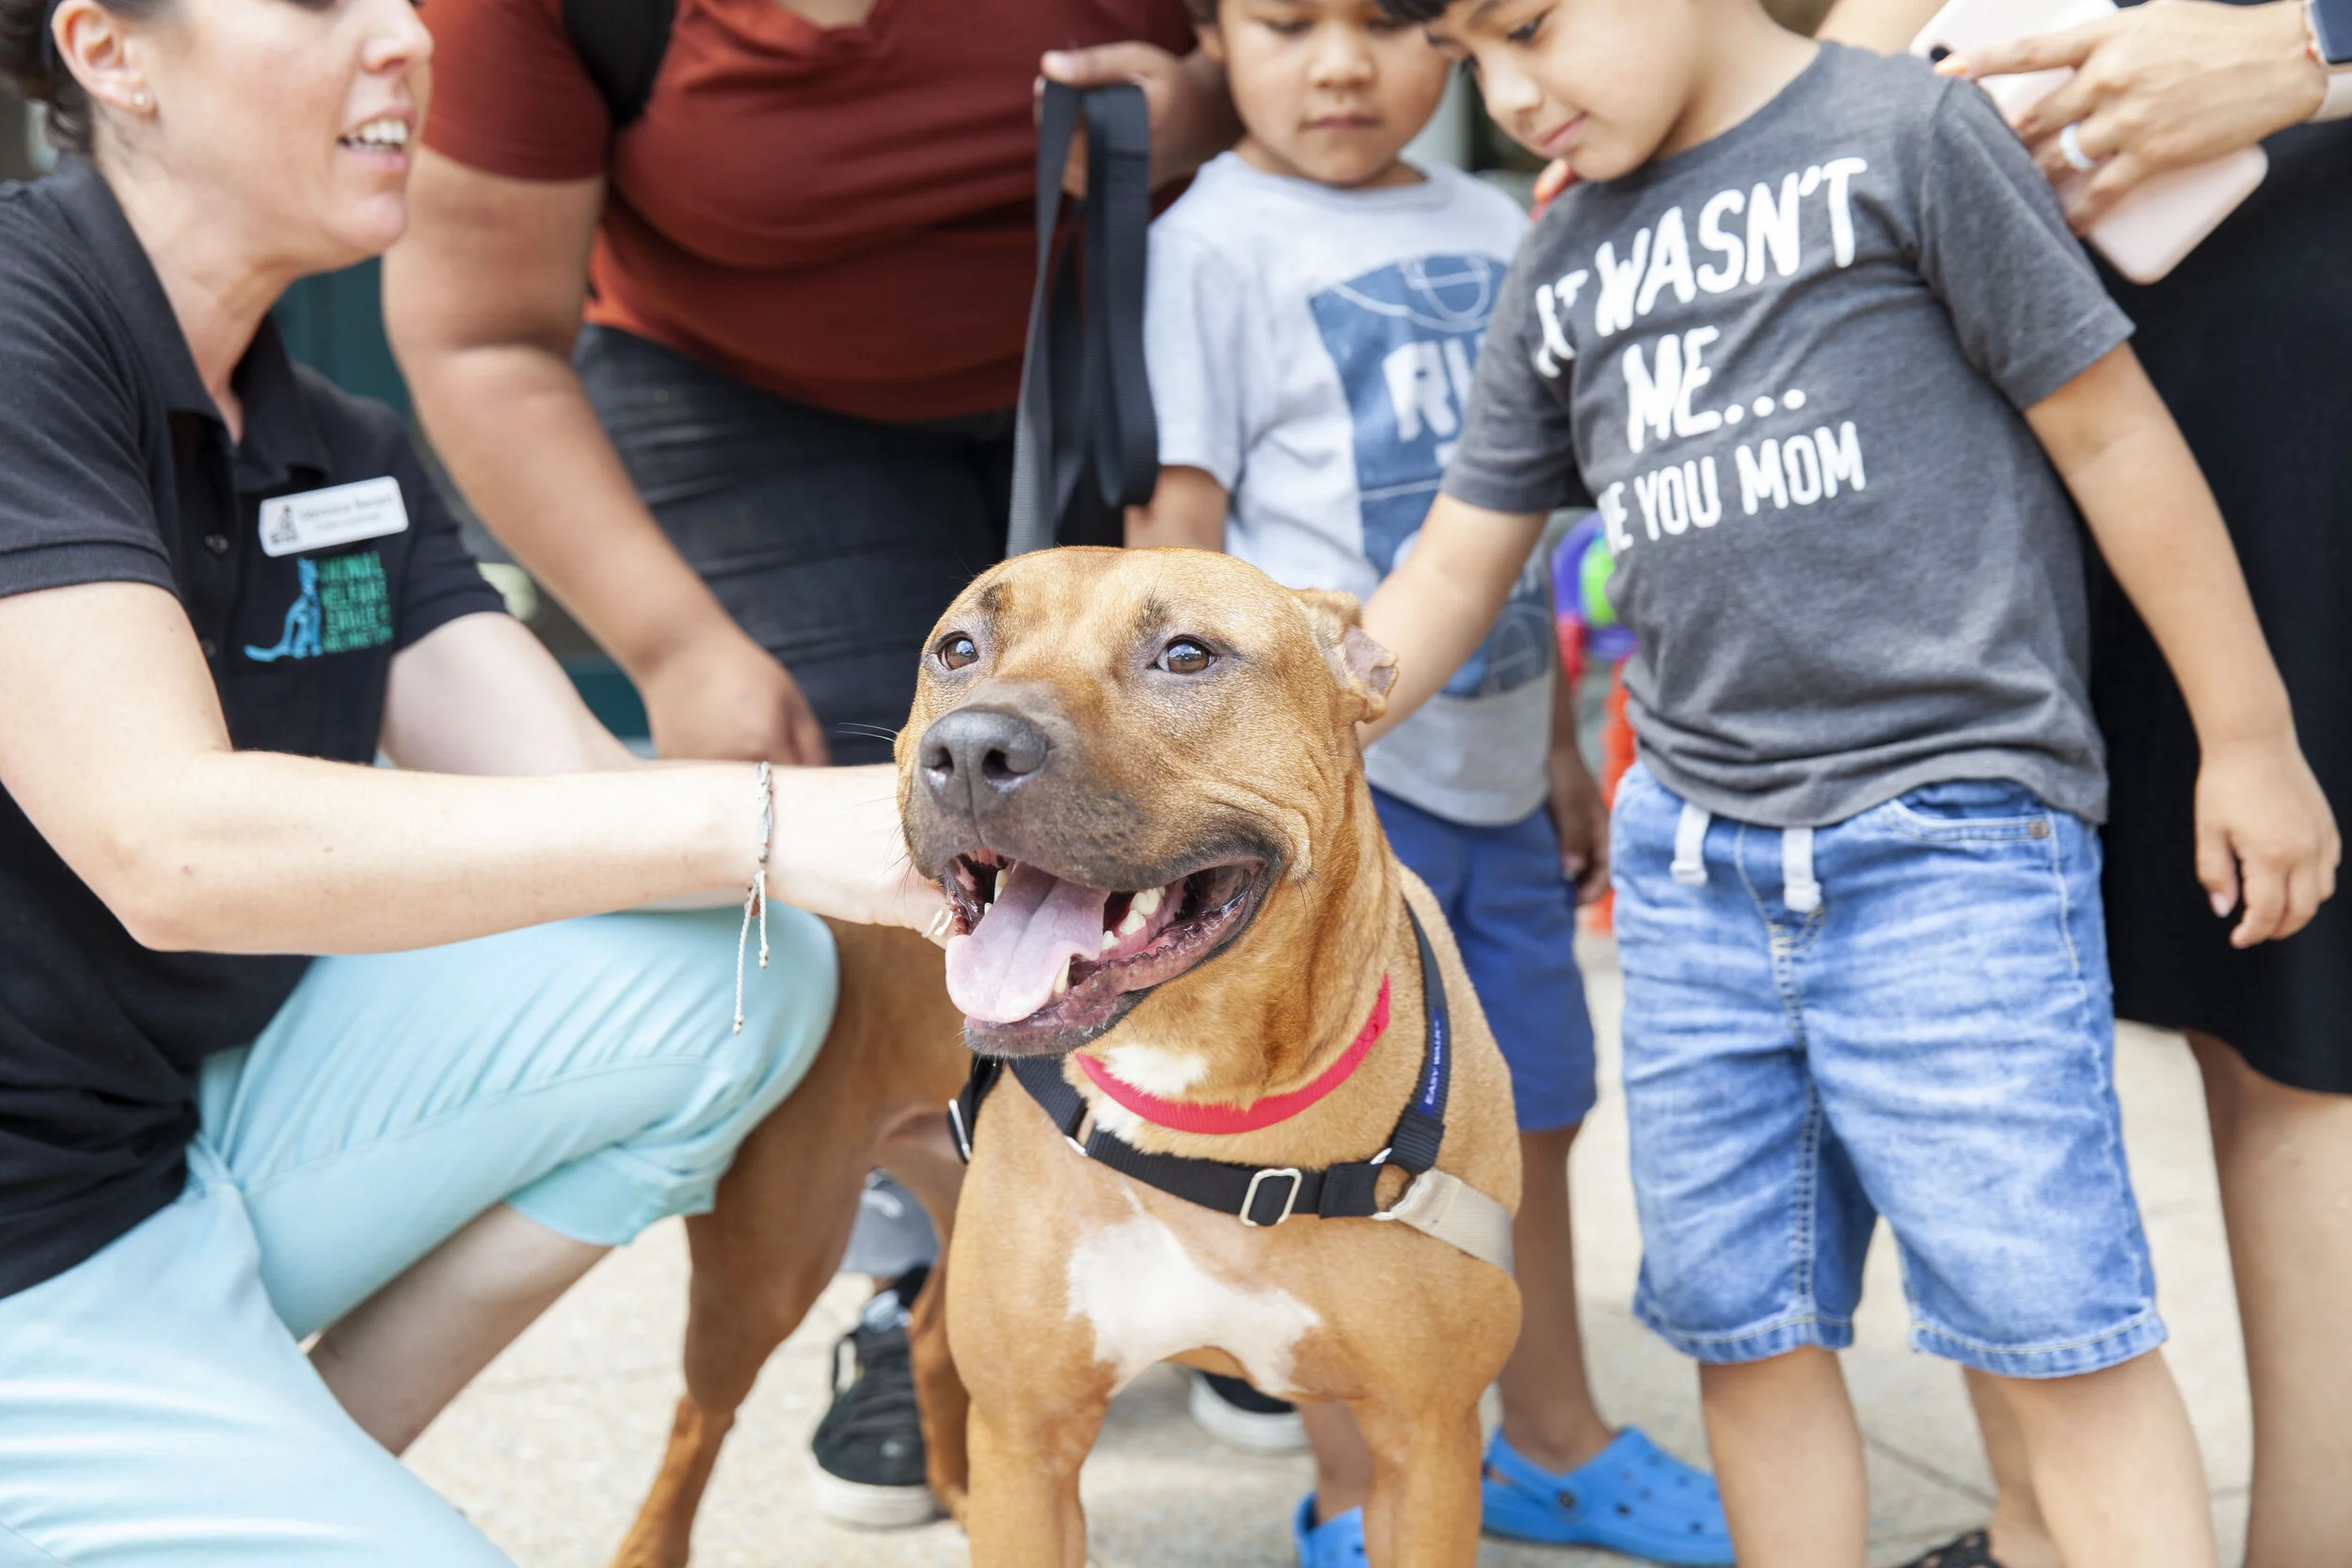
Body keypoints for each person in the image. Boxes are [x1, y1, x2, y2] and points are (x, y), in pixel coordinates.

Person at [1348, 0, 2342, 1563]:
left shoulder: (1908, 139)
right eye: (1473, 58)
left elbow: (2112, 439)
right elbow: (1454, 563)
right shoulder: (1562, 256)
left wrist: (2251, 733)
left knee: (2054, 1329)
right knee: (1742, 1328)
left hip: (1952, 846)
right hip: (1692, 877)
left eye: (1528, 26)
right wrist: (1287, 712)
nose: (1510, 90)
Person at [0, 0, 942, 1558]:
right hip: (28, 1248)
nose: (404, 38)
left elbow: (582, 797)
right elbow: (163, 842)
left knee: (747, 978)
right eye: (320, 0)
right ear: (109, 51)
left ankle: (278, 1454)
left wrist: (953, 1021)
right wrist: (766, 815)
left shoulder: (335, 440)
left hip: (159, 1149)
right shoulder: (23, 328)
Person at [379, 0, 1241, 1515]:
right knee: (902, 887)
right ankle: (918, 1291)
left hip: (1128, 346)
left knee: (1184, 825)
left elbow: (1351, 42)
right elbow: (475, 330)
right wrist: (673, 645)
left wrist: (1215, 101)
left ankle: (1218, 1224)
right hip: (750, 396)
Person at [1127, 3, 1731, 1563]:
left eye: (1390, 23)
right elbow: (1177, 541)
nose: (1341, 65)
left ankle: (1548, 1436)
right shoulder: (1210, 240)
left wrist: (1549, 749)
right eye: (1287, 20)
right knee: (1319, 1147)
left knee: (1523, 1116)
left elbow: (1511, 537)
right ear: (1210, 30)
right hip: (1326, 826)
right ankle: (1353, 1481)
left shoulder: (1496, 213)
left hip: (1499, 775)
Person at [1804, 5, 2352, 1566]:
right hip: (1972, 322)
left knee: (2297, 1013)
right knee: (1966, 964)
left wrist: (2313, 48)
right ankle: (2044, 1530)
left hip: (2301, 297)